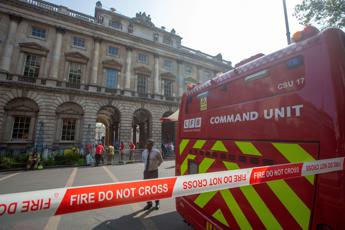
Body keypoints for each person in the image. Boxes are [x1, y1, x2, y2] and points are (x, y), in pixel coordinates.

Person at [142, 139, 163, 210]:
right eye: (146, 144)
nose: (147, 146)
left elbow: (161, 160)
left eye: (148, 144)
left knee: (155, 188)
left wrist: (156, 166)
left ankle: (157, 203)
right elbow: (144, 160)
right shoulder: (144, 152)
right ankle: (149, 203)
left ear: (152, 145)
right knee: (146, 189)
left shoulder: (156, 152)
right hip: (146, 172)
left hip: (154, 172)